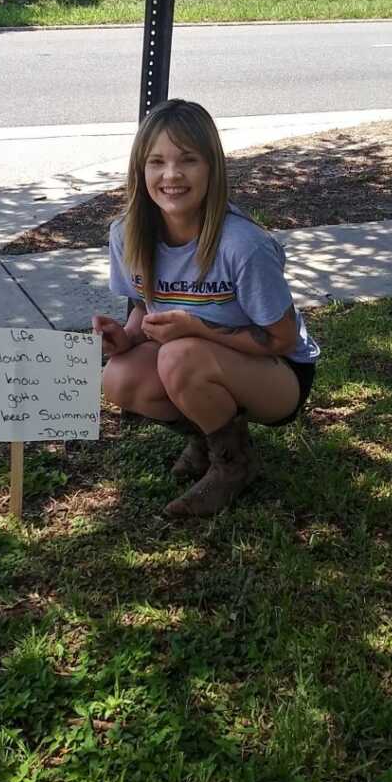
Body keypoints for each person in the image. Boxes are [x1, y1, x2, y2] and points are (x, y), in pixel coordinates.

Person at [92, 99, 320, 517]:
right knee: (120, 378)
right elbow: (147, 306)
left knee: (181, 355)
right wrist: (125, 337)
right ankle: (208, 436)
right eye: (156, 161)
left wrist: (195, 329)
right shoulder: (127, 234)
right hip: (197, 359)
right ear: (140, 171)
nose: (171, 175)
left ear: (212, 168)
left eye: (188, 160)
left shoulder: (243, 245)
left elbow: (282, 339)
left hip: (281, 374)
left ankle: (233, 466)